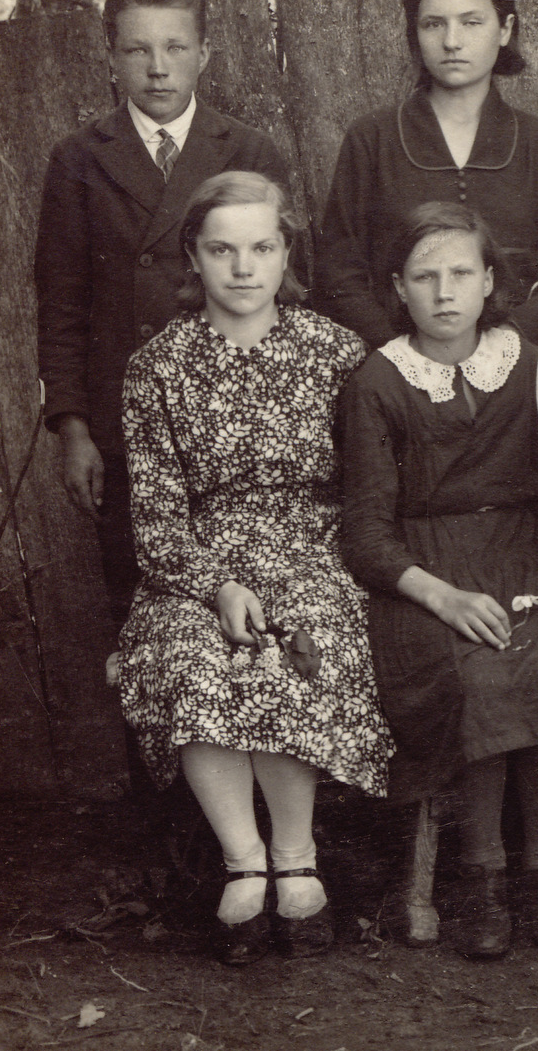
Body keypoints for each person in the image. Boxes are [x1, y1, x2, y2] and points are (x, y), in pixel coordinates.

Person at [110, 172, 392, 964]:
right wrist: (217, 585)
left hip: (314, 551)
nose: (243, 267)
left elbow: (370, 490)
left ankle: (297, 856)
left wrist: (315, 568)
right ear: (192, 256)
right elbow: (157, 521)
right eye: (222, 249)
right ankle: (245, 859)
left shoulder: (336, 352)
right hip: (198, 564)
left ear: (287, 253)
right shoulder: (157, 367)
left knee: (287, 650)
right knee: (194, 654)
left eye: (262, 247)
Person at [339, 203, 538, 960]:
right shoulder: (379, 381)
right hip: (423, 565)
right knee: (477, 672)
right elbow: (366, 533)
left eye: (461, 273)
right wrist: (440, 594)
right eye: (425, 277)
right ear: (398, 288)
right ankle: (480, 874)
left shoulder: (530, 361)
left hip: (519, 549)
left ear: (490, 280)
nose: (445, 291)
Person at [35, 0, 291, 625]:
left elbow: (287, 295)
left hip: (237, 415)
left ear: (203, 53)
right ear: (111, 56)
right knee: (147, 608)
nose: (157, 67)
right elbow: (61, 305)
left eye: (175, 47)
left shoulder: (249, 150)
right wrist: (73, 429)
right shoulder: (79, 159)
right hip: (126, 423)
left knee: (256, 603)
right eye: (136, 49)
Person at [315, 0, 538, 349]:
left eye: (471, 22)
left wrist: (504, 343)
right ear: (415, 33)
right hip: (397, 362)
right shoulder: (372, 139)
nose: (451, 41)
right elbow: (338, 276)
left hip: (516, 363)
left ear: (504, 29)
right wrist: (404, 354)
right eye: (433, 24)